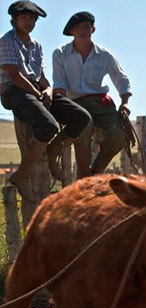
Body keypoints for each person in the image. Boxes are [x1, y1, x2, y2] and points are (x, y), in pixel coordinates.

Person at [0, 1, 91, 202]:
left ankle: (53, 152)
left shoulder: (36, 45)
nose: (28, 22)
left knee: (81, 117)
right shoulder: (6, 41)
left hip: (35, 90)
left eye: (32, 18)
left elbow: (41, 77)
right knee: (48, 126)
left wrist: (48, 91)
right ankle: (22, 174)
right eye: (23, 17)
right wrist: (37, 92)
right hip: (13, 90)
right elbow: (14, 75)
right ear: (14, 20)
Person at [53, 11, 132, 178]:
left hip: (100, 102)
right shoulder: (60, 54)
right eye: (77, 28)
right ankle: (84, 174)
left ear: (93, 29)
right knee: (83, 126)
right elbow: (59, 85)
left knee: (118, 134)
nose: (82, 31)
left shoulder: (104, 55)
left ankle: (96, 171)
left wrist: (124, 102)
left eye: (85, 27)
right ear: (72, 32)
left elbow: (121, 79)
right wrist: (61, 109)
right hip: (75, 102)